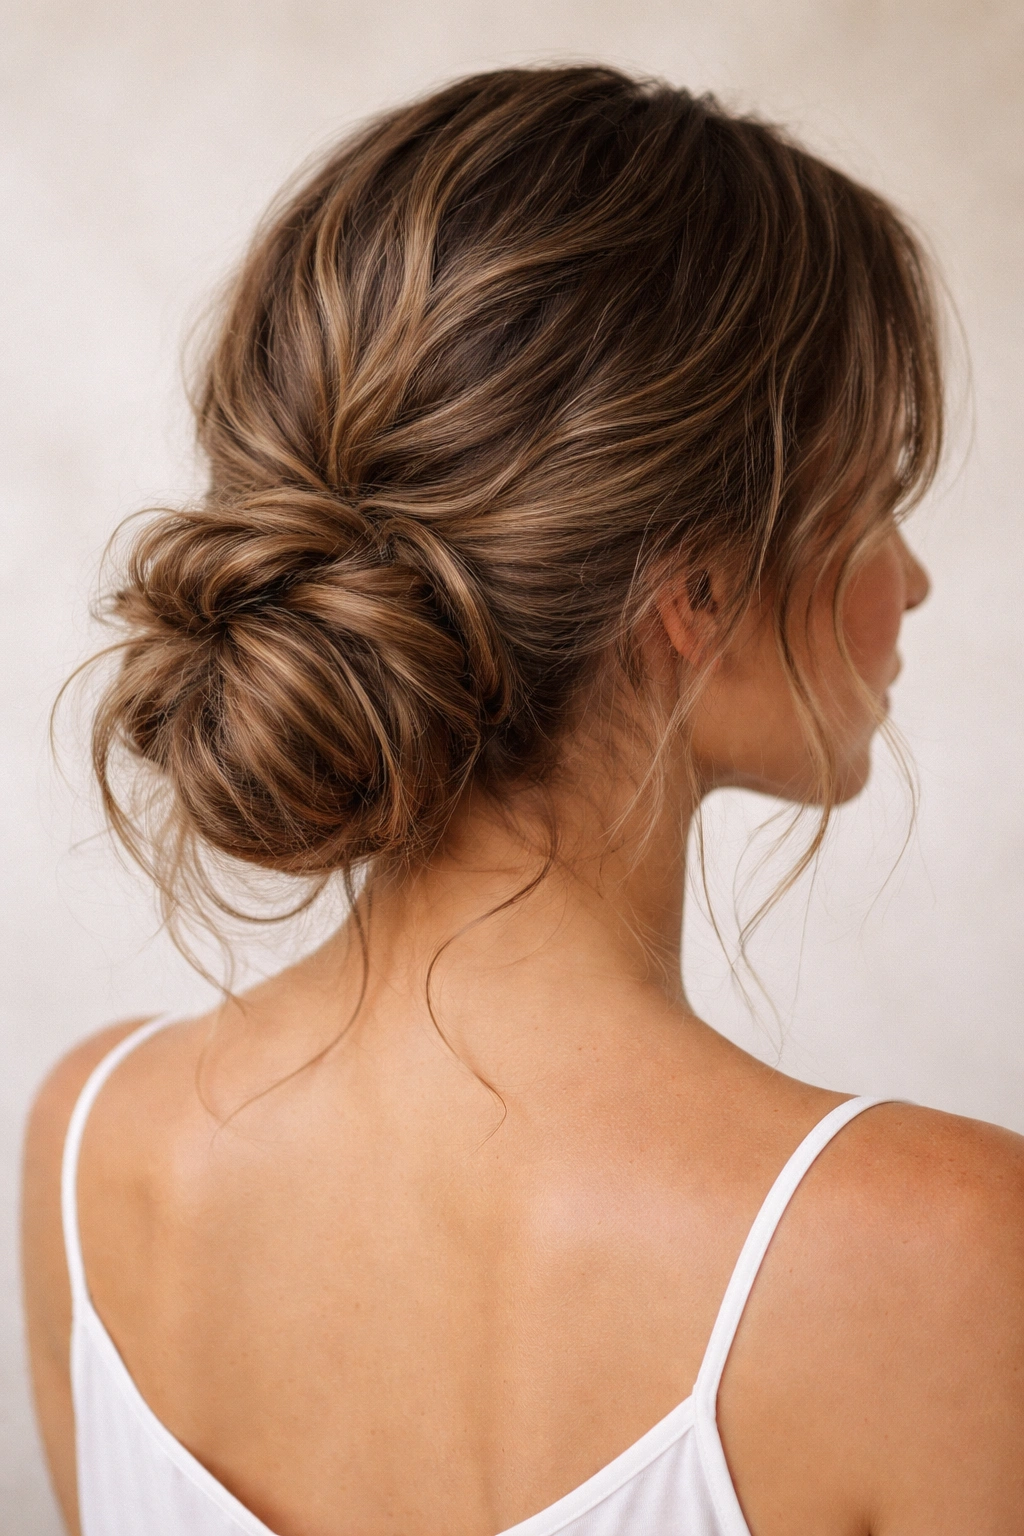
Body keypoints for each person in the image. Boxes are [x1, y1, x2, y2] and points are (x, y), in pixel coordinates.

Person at [20, 65, 1024, 1536]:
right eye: (876, 493)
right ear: (695, 583)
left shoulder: (92, 1147)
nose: (912, 579)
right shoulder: (941, 1256)